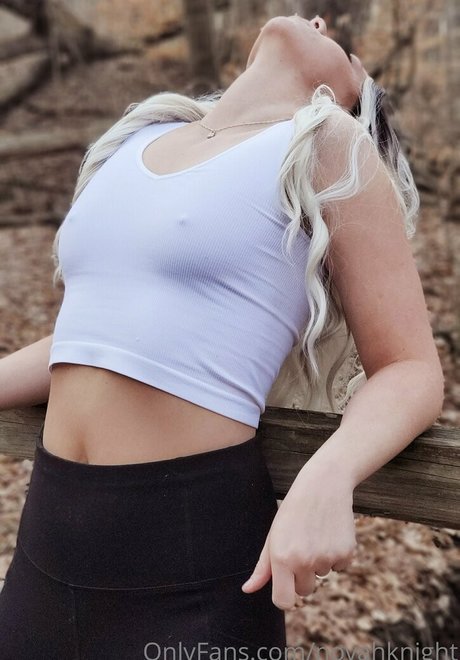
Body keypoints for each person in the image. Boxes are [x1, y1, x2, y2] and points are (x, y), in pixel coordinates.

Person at [0, 13, 444, 659]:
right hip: (45, 539)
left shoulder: (327, 145)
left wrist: (329, 475)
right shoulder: (139, 139)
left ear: (354, 92)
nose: (318, 18)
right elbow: (90, 337)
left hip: (190, 560)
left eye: (343, 45)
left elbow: (410, 368)